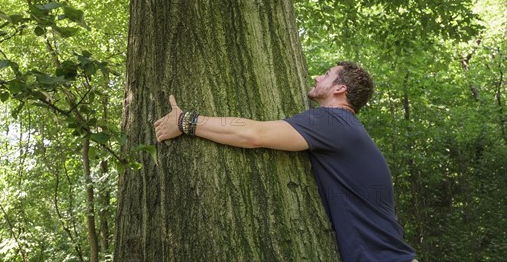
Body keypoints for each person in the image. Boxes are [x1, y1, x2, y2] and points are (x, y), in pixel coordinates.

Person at [154, 61, 417, 262]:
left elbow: (254, 134)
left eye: (326, 74)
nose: (316, 76)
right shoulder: (345, 128)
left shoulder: (333, 122)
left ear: (340, 89)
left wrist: (185, 122)